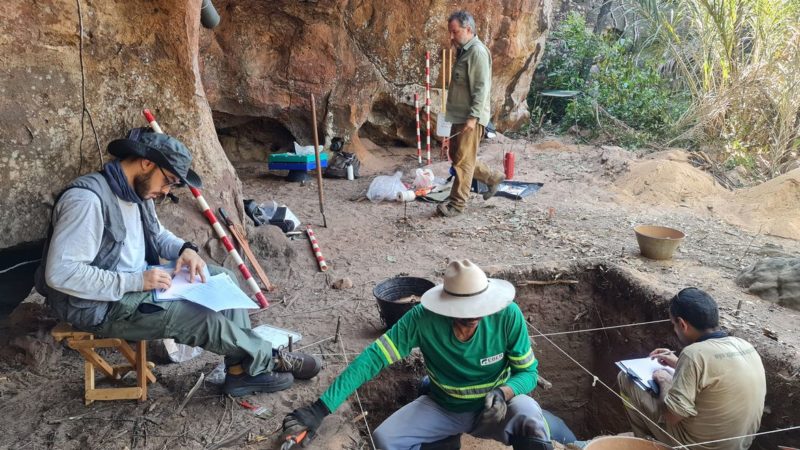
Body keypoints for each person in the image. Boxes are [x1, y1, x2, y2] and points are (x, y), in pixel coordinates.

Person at [34, 127, 321, 396]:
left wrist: (185, 249)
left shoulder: (137, 193)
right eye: (169, 181)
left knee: (221, 278)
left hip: (142, 284)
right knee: (202, 319)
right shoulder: (87, 201)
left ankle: (240, 370)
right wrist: (135, 281)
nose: (167, 191)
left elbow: (157, 234)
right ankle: (267, 358)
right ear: (146, 163)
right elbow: (61, 273)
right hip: (102, 307)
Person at [282, 260, 554, 450]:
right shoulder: (422, 319)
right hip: (444, 407)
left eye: (478, 306)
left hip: (495, 410)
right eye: (464, 309)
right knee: (385, 439)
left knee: (530, 415)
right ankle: (443, 442)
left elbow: (528, 373)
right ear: (447, 304)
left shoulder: (507, 315)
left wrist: (503, 394)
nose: (473, 316)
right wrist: (320, 408)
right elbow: (372, 358)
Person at [617, 288, 766, 450]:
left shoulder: (693, 354)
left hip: (696, 446)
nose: (675, 330)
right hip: (739, 445)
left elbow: (672, 416)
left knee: (626, 379)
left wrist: (664, 382)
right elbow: (715, 374)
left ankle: (644, 443)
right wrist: (677, 363)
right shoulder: (744, 345)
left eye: (674, 325)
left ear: (682, 324)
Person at [437, 10, 506, 218]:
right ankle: (492, 177)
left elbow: (481, 88)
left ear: (468, 29)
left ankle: (457, 204)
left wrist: (473, 117)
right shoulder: (464, 50)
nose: (451, 36)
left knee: (463, 162)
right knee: (458, 156)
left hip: (470, 117)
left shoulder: (477, 52)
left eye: (454, 32)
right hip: (460, 115)